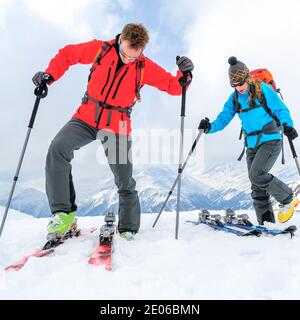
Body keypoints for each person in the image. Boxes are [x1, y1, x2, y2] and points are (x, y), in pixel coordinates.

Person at [32, 23, 194, 241]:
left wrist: (185, 75)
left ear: (141, 51)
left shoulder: (144, 67)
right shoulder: (101, 50)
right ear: (120, 41)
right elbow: (68, 54)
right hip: (86, 117)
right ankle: (64, 214)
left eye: (133, 57)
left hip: (117, 124)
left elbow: (174, 87)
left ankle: (128, 227)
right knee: (58, 149)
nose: (128, 60)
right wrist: (49, 75)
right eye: (125, 54)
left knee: (124, 177)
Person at [199, 56, 298, 225]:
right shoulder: (235, 98)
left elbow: (281, 109)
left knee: (257, 174)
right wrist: (209, 127)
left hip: (270, 139)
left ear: (248, 78)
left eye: (241, 83)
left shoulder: (263, 90)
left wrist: (287, 125)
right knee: (257, 187)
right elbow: (224, 118)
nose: (239, 87)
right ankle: (266, 223)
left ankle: (288, 198)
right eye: (235, 85)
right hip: (251, 144)